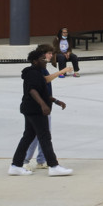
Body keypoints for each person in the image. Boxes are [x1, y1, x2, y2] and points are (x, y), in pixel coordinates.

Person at [9, 45, 73, 177]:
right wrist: (43, 105)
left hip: (31, 109)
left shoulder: (37, 73)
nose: (46, 61)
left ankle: (15, 165)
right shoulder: (32, 73)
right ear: (35, 61)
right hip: (35, 110)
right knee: (44, 137)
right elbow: (32, 90)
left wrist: (55, 101)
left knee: (28, 137)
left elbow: (41, 91)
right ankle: (54, 166)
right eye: (43, 59)